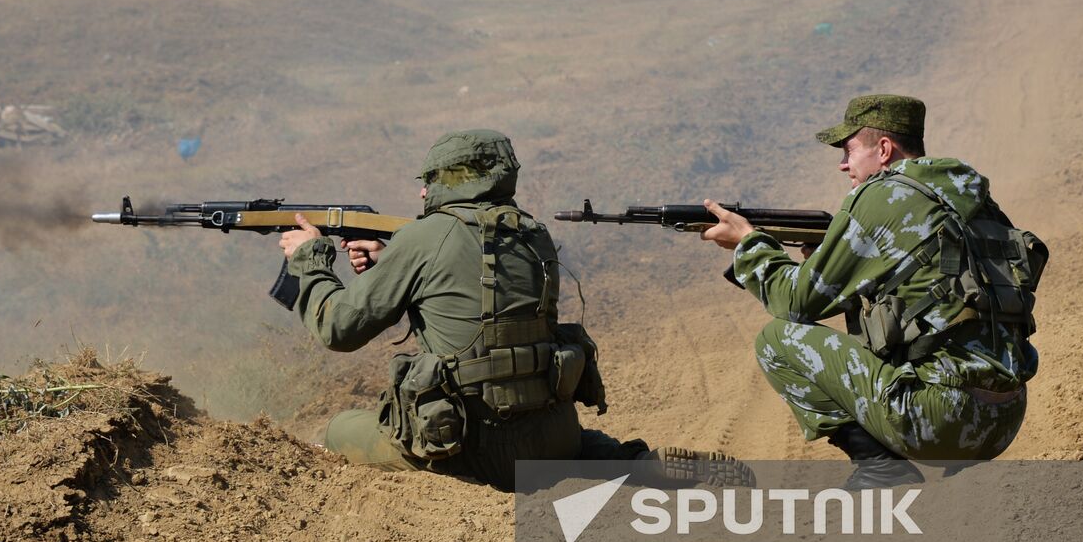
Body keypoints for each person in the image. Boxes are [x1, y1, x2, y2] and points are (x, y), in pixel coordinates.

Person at [277, 129, 750, 492]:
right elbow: (475, 301)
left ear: (453, 181)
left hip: (464, 446)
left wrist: (311, 259)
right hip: (550, 439)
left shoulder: (423, 239)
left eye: (431, 181)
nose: (423, 193)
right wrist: (392, 263)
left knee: (338, 429)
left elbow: (337, 328)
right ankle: (636, 463)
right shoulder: (532, 232)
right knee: (564, 442)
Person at [699, 95, 1044, 489]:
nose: (843, 164)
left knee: (776, 340)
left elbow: (793, 304)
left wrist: (748, 244)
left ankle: (882, 467)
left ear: (883, 150)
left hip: (941, 422)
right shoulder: (971, 199)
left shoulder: (880, 195)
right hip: (1004, 420)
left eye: (849, 150)